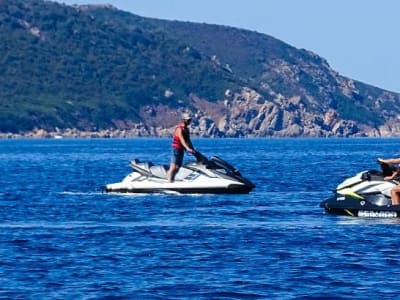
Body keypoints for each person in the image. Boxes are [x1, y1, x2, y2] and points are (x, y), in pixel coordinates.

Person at [167, 113, 196, 182]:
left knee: (178, 167)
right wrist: (187, 148)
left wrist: (192, 148)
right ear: (184, 120)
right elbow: (182, 139)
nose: (189, 121)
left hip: (181, 149)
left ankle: (172, 180)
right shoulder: (179, 128)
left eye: (190, 120)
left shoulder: (187, 129)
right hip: (176, 149)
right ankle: (169, 182)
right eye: (188, 120)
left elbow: (188, 140)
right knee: (173, 167)